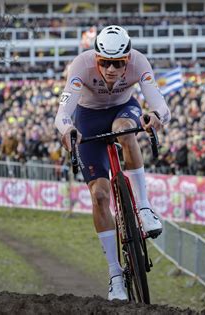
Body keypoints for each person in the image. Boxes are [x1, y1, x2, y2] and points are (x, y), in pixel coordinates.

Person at [54, 25, 171, 300]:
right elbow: (63, 113)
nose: (110, 69)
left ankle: (143, 208)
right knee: (99, 195)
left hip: (123, 109)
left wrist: (156, 118)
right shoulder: (81, 65)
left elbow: (160, 105)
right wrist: (67, 131)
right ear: (96, 57)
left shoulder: (139, 62)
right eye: (104, 62)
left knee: (125, 130)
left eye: (118, 63)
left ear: (127, 59)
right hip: (89, 119)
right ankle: (115, 274)